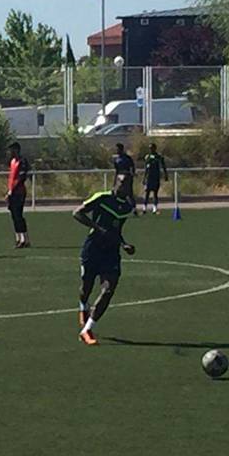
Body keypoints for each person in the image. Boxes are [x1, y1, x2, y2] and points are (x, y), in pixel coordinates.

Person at [72, 174, 137, 346]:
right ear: (115, 183)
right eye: (122, 183)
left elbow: (116, 230)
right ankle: (83, 306)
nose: (125, 187)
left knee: (108, 290)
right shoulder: (102, 198)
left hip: (111, 253)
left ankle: (87, 330)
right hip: (92, 249)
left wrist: (124, 244)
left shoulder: (127, 207)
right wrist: (98, 228)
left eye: (128, 184)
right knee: (86, 289)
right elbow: (77, 213)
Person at [6, 141, 31, 248]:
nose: (10, 152)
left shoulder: (22, 161)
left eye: (11, 149)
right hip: (12, 192)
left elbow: (21, 177)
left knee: (18, 215)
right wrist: (9, 190)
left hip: (19, 193)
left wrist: (12, 190)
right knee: (13, 215)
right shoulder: (12, 161)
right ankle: (18, 238)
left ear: (16, 150)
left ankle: (25, 239)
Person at [111, 142, 139, 216]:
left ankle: (134, 209)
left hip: (127, 177)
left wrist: (132, 174)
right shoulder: (116, 159)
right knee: (116, 193)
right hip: (119, 177)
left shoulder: (127, 158)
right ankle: (120, 208)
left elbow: (132, 167)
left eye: (117, 149)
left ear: (121, 149)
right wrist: (115, 181)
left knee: (129, 193)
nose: (116, 151)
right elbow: (116, 171)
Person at [142, 143, 169, 214]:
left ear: (155, 148)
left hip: (156, 177)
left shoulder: (158, 157)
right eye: (149, 148)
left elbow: (163, 166)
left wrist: (166, 175)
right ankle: (144, 208)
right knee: (147, 193)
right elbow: (146, 168)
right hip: (149, 177)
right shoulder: (147, 157)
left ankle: (154, 208)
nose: (150, 149)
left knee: (155, 193)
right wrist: (144, 178)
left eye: (152, 148)